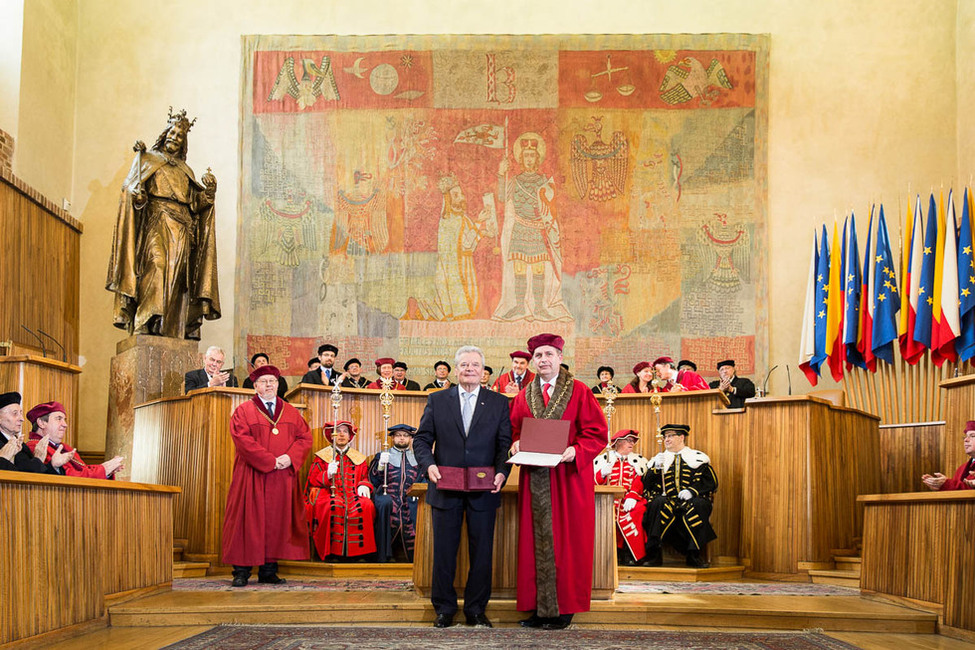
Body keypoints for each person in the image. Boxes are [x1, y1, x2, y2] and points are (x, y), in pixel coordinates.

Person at [508, 333, 607, 630]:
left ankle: (564, 609)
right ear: (532, 361)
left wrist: (575, 450)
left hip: (568, 479)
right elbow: (515, 429)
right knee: (533, 544)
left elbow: (597, 432)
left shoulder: (578, 391)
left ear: (560, 358)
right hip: (535, 479)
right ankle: (539, 609)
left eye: (549, 354)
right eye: (538, 356)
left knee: (569, 542)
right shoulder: (524, 395)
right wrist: (514, 444)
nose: (544, 360)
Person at [413, 345, 512, 628]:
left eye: (475, 365)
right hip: (445, 486)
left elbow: (504, 444)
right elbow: (421, 439)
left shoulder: (498, 402)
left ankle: (476, 610)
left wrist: (503, 472)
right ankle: (444, 609)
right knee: (444, 551)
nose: (470, 369)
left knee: (482, 553)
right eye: (465, 365)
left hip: (484, 490)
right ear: (456, 370)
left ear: (483, 371)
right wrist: (429, 465)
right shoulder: (437, 399)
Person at [105, 108, 220, 339]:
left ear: (183, 142)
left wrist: (209, 192)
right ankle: (147, 318)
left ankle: (166, 325)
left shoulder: (186, 170)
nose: (174, 138)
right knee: (156, 266)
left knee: (177, 279)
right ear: (165, 132)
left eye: (180, 135)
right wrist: (138, 198)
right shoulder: (147, 160)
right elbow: (131, 190)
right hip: (157, 223)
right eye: (172, 132)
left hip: (182, 229)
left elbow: (195, 204)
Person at [221, 365, 311, 587]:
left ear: (278, 384)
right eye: (264, 381)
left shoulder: (290, 412)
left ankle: (268, 571)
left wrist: (289, 458)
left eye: (272, 381)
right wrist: (270, 461)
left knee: (275, 522)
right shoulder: (244, 411)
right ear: (255, 386)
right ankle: (241, 571)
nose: (269, 385)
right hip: (251, 475)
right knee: (246, 521)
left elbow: (304, 438)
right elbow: (243, 441)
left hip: (281, 477)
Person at [492, 133, 570, 322]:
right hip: (520, 228)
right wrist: (502, 174)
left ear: (537, 158)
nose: (529, 159)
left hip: (536, 230)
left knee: (538, 270)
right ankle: (519, 307)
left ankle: (540, 308)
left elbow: (549, 206)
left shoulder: (542, 181)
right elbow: (502, 198)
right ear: (520, 158)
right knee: (519, 268)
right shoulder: (515, 180)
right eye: (525, 155)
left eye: (532, 155)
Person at [417, 174, 496, 320]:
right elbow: (465, 243)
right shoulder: (448, 220)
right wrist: (479, 222)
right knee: (459, 310)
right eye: (456, 195)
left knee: (469, 306)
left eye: (461, 194)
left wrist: (483, 233)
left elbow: (469, 246)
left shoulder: (462, 218)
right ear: (448, 199)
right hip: (455, 269)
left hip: (465, 265)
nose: (461, 198)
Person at [641, 424, 718, 568]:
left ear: (681, 437)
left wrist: (692, 491)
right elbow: (646, 484)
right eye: (665, 437)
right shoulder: (659, 459)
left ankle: (693, 555)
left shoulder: (697, 458)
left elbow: (711, 482)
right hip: (666, 501)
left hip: (691, 500)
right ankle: (654, 555)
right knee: (657, 503)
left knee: (699, 505)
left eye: (670, 436)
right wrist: (655, 469)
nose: (666, 439)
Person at [304, 420, 377, 560]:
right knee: (333, 506)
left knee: (366, 505)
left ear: (350, 436)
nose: (341, 434)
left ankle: (360, 553)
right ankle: (332, 553)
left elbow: (364, 477)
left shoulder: (358, 458)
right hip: (328, 492)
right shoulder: (322, 457)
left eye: (345, 431)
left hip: (352, 494)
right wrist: (327, 475)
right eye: (338, 431)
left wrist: (364, 485)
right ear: (331, 436)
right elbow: (312, 480)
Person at [25, 402, 124, 479]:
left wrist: (107, 471)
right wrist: (103, 469)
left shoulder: (65, 447)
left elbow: (82, 470)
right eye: (59, 419)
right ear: (41, 423)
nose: (65, 424)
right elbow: (68, 476)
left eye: (65, 420)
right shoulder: (35, 447)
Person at [369, 423, 423, 562]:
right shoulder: (383, 455)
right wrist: (381, 466)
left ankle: (415, 557)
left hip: (412, 496)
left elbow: (426, 478)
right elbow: (374, 480)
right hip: (388, 495)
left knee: (416, 509)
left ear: (411, 439)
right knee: (386, 505)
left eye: (405, 436)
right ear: (393, 438)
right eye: (398, 435)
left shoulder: (418, 457)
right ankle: (385, 555)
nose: (402, 438)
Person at [594, 430, 649, 565]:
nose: (632, 443)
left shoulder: (638, 461)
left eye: (633, 441)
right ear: (618, 442)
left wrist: (632, 496)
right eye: (628, 440)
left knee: (638, 511)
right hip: (606, 499)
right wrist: (602, 474)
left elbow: (639, 481)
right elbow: (592, 482)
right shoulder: (602, 460)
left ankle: (631, 554)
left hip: (629, 499)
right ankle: (605, 555)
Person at [0, 392, 67, 474]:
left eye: (21, 413)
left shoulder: (22, 445)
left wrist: (53, 466)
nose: (21, 419)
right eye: (15, 414)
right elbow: (20, 477)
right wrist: (3, 460)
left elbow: (39, 478)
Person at [922, 420, 975, 491]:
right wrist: (939, 486)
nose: (966, 440)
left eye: (972, 436)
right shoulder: (961, 469)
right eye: (965, 437)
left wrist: (947, 484)